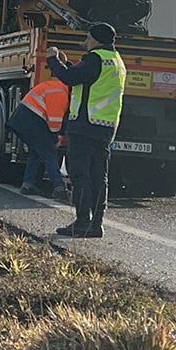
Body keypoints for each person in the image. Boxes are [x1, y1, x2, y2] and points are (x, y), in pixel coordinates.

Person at [46, 22, 126, 238]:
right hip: (105, 128)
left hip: (84, 126)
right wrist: (68, 64)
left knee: (80, 175)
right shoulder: (116, 61)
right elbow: (86, 79)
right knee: (99, 177)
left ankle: (82, 223)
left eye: (88, 38)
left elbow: (70, 79)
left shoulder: (94, 58)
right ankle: (96, 224)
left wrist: (52, 59)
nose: (86, 42)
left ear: (97, 40)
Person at [7, 78, 69, 198]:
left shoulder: (57, 86)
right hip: (31, 119)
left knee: (36, 152)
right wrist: (56, 139)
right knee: (49, 152)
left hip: (23, 119)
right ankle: (59, 187)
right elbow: (55, 122)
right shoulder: (61, 93)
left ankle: (27, 184)